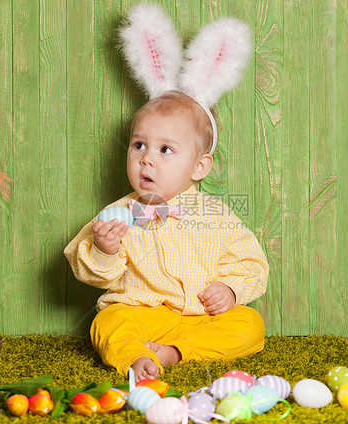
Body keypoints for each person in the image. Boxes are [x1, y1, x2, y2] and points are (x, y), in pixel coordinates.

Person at [64, 91, 269, 381]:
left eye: (165, 150)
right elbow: (94, 275)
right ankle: (137, 356)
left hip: (201, 318)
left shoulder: (216, 215)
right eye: (138, 145)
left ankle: (175, 352)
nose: (146, 159)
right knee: (107, 321)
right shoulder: (118, 213)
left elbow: (251, 263)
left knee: (250, 324)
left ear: (199, 167)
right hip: (142, 316)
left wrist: (231, 289)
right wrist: (104, 248)